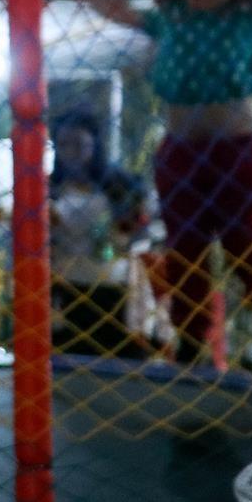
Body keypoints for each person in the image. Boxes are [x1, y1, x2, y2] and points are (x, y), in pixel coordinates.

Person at [73, 0, 252, 367]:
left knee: (245, 241)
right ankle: (191, 341)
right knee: (185, 245)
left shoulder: (246, 18)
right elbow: (122, 13)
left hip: (237, 148)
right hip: (181, 149)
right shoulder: (170, 18)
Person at [49, 112, 155, 357]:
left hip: (112, 285)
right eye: (63, 145)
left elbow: (141, 227)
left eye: (79, 145)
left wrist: (125, 231)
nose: (70, 153)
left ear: (94, 145)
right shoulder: (52, 185)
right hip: (66, 284)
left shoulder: (119, 183)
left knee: (115, 357)